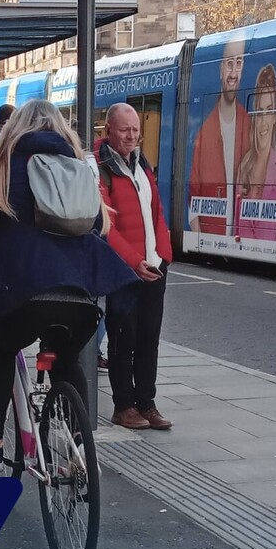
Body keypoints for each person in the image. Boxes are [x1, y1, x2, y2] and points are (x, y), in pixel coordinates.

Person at [0, 100, 137, 472]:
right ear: (61, 131)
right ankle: (79, 452)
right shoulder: (80, 170)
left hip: (24, 294)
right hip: (81, 295)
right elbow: (96, 227)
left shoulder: (1, 170)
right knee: (67, 358)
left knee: (0, 347)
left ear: (13, 131)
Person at [97, 103, 174, 431]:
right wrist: (133, 261)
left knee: (149, 338)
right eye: (125, 130)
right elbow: (105, 224)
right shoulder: (100, 167)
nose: (132, 136)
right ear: (109, 131)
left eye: (135, 130)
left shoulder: (142, 164)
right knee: (122, 339)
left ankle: (147, 403)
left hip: (154, 265)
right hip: (123, 270)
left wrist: (161, 254)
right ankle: (123, 406)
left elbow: (155, 211)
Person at [188, 39, 249, 236]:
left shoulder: (252, 127)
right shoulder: (204, 133)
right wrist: (199, 238)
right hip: (212, 234)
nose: (233, 73)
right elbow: (193, 194)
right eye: (229, 63)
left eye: (238, 63)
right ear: (221, 68)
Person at [235, 65, 276, 243]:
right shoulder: (243, 167)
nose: (264, 120)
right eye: (259, 111)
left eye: (269, 110)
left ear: (275, 117)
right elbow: (235, 226)